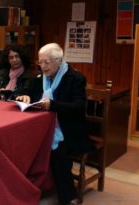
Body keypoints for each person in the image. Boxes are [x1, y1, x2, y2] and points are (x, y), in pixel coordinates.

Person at [16, 43, 94, 205]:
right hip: (42, 128)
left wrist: (52, 106)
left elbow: (79, 107)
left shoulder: (75, 78)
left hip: (69, 130)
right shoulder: (39, 78)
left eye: (47, 62)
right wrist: (24, 96)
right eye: (40, 62)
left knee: (57, 151)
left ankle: (68, 196)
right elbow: (27, 92)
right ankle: (31, 191)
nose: (43, 67)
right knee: (23, 146)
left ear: (59, 61)